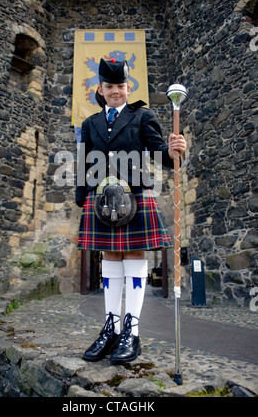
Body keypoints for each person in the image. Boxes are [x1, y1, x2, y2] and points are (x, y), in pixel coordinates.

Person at [76, 58, 186, 364]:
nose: (115, 91)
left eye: (120, 86)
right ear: (100, 89)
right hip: (101, 199)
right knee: (111, 256)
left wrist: (174, 151)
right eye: (109, 86)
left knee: (134, 254)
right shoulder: (90, 124)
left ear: (128, 87)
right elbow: (84, 162)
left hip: (134, 194)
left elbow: (159, 152)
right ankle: (111, 328)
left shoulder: (142, 115)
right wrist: (81, 196)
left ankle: (132, 331)